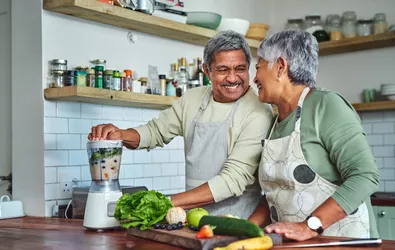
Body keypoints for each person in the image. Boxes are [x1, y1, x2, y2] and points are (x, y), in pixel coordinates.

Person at [88, 30, 274, 219]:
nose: (233, 78)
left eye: (240, 69)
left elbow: (232, 179)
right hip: (192, 219)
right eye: (223, 70)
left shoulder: (258, 111)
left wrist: (164, 203)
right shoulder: (193, 99)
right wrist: (121, 134)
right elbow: (156, 132)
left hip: (237, 222)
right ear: (207, 71)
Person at [248, 29, 380, 241]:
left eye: (258, 67)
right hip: (294, 245)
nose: (254, 78)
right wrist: (244, 229)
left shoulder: (326, 105)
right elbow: (280, 194)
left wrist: (309, 226)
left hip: (342, 243)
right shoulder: (275, 123)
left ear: (280, 66)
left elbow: (365, 176)